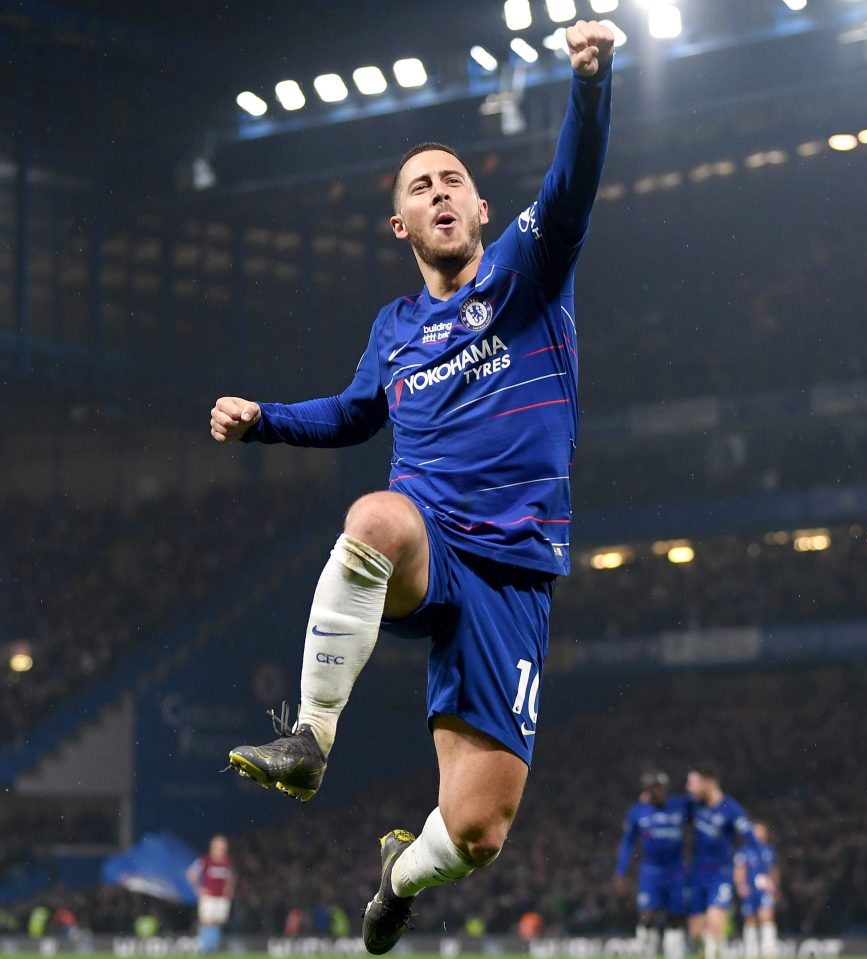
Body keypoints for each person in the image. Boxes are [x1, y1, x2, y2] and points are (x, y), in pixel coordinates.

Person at [210, 18, 615, 956]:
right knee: (375, 514)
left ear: (480, 211)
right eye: (419, 187)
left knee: (478, 831)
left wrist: (593, 84)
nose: (439, 193)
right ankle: (309, 740)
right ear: (401, 224)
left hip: (512, 568)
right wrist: (264, 415)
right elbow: (355, 414)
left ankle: (400, 871)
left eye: (453, 182)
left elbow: (575, 181)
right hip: (429, 532)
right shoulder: (394, 328)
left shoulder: (528, 271)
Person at [685, 766, 762, 959]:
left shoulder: (731, 809)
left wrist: (758, 871)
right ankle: (710, 951)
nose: (688, 788)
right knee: (695, 932)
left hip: (720, 874)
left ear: (708, 782)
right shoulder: (693, 805)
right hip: (696, 875)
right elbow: (668, 807)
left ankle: (714, 953)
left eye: (692, 783)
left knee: (714, 920)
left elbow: (751, 839)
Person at [612, 771, 689, 959]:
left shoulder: (680, 806)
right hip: (650, 873)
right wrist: (621, 871)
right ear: (647, 792)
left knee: (675, 918)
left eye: (662, 787)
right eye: (655, 788)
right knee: (647, 916)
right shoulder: (638, 812)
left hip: (676, 872)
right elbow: (627, 842)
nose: (660, 792)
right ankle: (647, 954)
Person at [735, 821, 779, 959]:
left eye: (760, 831)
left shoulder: (769, 850)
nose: (757, 834)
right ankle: (750, 952)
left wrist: (774, 886)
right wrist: (740, 885)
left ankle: (769, 951)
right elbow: (739, 870)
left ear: (766, 834)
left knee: (766, 916)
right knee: (750, 919)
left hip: (764, 889)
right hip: (749, 889)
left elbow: (773, 870)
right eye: (755, 831)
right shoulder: (744, 851)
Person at [186, 835, 236, 953]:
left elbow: (231, 876)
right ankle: (203, 947)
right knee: (207, 921)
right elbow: (191, 874)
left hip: (222, 897)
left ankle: (213, 948)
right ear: (213, 847)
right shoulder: (205, 860)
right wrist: (199, 888)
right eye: (220, 848)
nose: (222, 850)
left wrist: (230, 889)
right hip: (209, 896)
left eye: (224, 848)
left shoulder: (228, 862)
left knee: (219, 921)